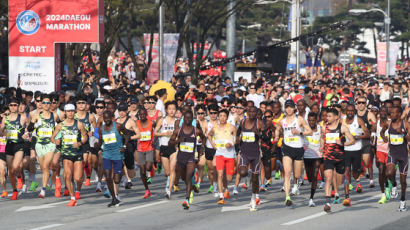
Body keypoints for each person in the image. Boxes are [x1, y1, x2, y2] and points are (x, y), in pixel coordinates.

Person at [274, 100, 312, 206]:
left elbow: (310, 131)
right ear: (285, 109)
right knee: (287, 173)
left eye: (290, 107)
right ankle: (287, 197)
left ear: (294, 108)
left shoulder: (299, 119)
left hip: (298, 149)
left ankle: (296, 184)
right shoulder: (282, 121)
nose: (289, 109)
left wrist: (299, 132)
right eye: (287, 107)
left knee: (297, 174)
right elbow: (277, 128)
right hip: (287, 148)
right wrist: (277, 135)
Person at [51, 104, 88, 207]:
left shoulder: (79, 124)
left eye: (72, 111)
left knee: (78, 178)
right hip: (66, 154)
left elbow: (85, 137)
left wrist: (80, 143)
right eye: (68, 111)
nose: (70, 113)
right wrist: (56, 141)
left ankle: (78, 190)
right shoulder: (60, 125)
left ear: (74, 112)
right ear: (66, 113)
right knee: (68, 176)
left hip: (77, 153)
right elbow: (52, 138)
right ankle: (72, 198)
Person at [169, 110, 205, 210]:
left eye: (190, 118)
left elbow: (204, 138)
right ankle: (192, 186)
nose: (188, 120)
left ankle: (187, 200)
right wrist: (178, 141)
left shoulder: (196, 131)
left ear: (192, 119)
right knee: (184, 179)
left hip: (191, 159)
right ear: (183, 119)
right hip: (180, 159)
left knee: (188, 177)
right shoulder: (178, 131)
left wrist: (202, 148)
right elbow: (170, 143)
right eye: (186, 118)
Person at [321, 108, 355, 212]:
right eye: (327, 116)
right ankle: (327, 203)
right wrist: (322, 146)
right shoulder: (324, 127)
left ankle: (345, 184)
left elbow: (353, 140)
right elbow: (323, 138)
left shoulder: (343, 128)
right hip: (328, 157)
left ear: (336, 117)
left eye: (329, 116)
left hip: (340, 158)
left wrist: (343, 144)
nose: (327, 118)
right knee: (328, 178)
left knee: (340, 181)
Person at [29, 94, 59, 198]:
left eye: (48, 103)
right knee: (43, 168)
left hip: (50, 144)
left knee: (46, 166)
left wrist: (57, 138)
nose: (46, 105)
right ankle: (49, 174)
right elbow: (29, 128)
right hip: (39, 144)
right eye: (44, 103)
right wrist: (34, 125)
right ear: (41, 104)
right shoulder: (36, 115)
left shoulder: (54, 116)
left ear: (51, 104)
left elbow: (60, 127)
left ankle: (43, 190)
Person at [381, 106, 410, 211]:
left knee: (403, 181)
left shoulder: (405, 124)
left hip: (403, 156)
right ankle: (393, 184)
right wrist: (384, 137)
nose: (391, 115)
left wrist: (402, 133)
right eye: (390, 113)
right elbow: (381, 132)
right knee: (388, 173)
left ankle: (402, 201)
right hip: (392, 153)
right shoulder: (388, 123)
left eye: (393, 113)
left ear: (399, 114)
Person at [0, 98, 29, 200]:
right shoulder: (5, 119)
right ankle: (15, 191)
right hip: (9, 145)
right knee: (10, 173)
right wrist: (2, 129)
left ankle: (20, 177)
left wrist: (27, 134)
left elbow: (28, 129)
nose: (13, 107)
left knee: (15, 167)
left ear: (18, 106)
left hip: (19, 145)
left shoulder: (22, 117)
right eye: (11, 105)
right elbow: (1, 133)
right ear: (9, 106)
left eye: (15, 105)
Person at [97, 110, 127, 207]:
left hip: (117, 154)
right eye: (105, 119)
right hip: (107, 154)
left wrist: (125, 146)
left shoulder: (118, 126)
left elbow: (127, 135)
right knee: (108, 177)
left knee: (117, 179)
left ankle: (121, 173)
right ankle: (114, 198)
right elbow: (101, 140)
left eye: (108, 118)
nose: (107, 120)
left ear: (112, 117)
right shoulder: (101, 129)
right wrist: (97, 145)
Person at [237, 106, 264, 211]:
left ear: (256, 113)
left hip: (256, 154)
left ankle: (253, 198)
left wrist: (258, 134)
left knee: (255, 178)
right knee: (242, 172)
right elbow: (238, 133)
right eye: (250, 112)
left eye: (254, 112)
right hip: (245, 152)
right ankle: (248, 174)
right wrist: (238, 138)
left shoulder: (259, 123)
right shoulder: (243, 121)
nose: (252, 113)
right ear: (247, 112)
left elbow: (266, 137)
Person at [208, 109, 236, 205]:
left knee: (229, 178)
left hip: (230, 155)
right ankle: (221, 196)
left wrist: (231, 144)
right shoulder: (215, 128)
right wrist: (212, 144)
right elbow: (209, 135)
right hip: (219, 154)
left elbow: (236, 139)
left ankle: (226, 187)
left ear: (227, 117)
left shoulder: (232, 127)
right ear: (218, 117)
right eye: (220, 116)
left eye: (224, 116)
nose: (222, 118)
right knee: (219, 174)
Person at [342, 104, 370, 197]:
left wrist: (357, 137)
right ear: (346, 111)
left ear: (354, 111)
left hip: (356, 149)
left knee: (355, 172)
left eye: (351, 111)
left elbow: (367, 134)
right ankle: (347, 194)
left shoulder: (358, 120)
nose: (350, 112)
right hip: (346, 149)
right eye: (348, 111)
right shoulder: (342, 121)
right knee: (346, 170)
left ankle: (358, 179)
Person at [155, 101, 177, 199]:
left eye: (173, 109)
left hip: (174, 148)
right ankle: (169, 181)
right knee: (167, 172)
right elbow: (155, 133)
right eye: (170, 109)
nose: (172, 111)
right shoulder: (161, 120)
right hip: (163, 147)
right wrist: (164, 134)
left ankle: (168, 190)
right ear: (166, 110)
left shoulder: (178, 121)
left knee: (172, 169)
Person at [303, 112, 323, 207]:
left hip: (318, 155)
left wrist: (322, 146)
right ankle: (311, 191)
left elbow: (323, 139)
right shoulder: (304, 129)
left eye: (313, 120)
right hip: (307, 156)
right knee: (310, 178)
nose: (311, 122)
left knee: (315, 175)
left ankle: (311, 198)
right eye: (309, 120)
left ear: (316, 120)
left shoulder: (320, 128)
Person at [135, 108, 154, 199]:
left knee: (148, 167)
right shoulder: (136, 123)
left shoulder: (151, 123)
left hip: (149, 148)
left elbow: (158, 129)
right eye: (140, 115)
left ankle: (152, 167)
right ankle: (147, 190)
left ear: (146, 114)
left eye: (143, 114)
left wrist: (154, 140)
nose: (142, 116)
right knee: (142, 172)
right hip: (140, 149)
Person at [373, 106, 389, 204]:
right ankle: (383, 194)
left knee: (388, 173)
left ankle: (388, 185)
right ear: (379, 112)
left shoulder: (391, 122)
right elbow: (372, 137)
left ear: (387, 112)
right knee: (381, 171)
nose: (383, 112)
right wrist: (372, 139)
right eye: (381, 111)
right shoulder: (376, 125)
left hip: (390, 150)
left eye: (385, 110)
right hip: (380, 150)